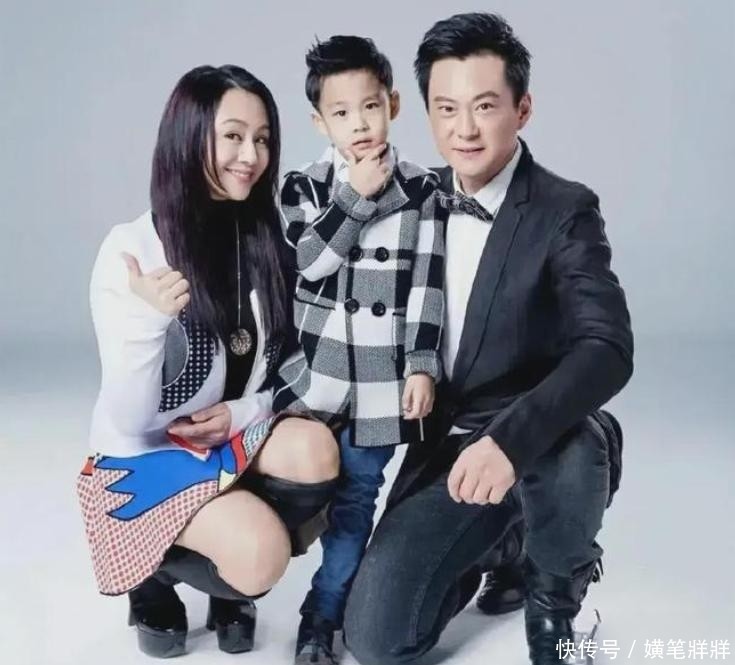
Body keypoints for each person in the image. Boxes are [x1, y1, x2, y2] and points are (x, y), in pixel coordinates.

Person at [343, 13, 633, 665]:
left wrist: (510, 440)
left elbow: (607, 346)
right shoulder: (407, 199)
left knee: (573, 440)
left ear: (521, 109)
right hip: (443, 444)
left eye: (484, 106)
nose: (464, 129)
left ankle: (554, 597)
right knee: (376, 641)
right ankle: (507, 540)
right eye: (445, 109)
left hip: (535, 434)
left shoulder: (564, 209)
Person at [76, 64, 340, 659]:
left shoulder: (267, 239)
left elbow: (295, 369)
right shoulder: (133, 250)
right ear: (189, 137)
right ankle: (152, 574)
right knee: (261, 554)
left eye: (263, 139)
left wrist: (243, 412)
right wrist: (147, 323)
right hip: (145, 458)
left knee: (316, 450)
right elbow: (128, 419)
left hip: (227, 441)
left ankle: (223, 569)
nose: (252, 156)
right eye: (233, 136)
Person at [272, 36, 444, 665]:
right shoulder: (304, 186)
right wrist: (357, 195)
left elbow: (428, 287)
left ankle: (321, 615)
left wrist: (421, 366)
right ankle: (235, 587)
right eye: (341, 113)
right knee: (284, 493)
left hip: (377, 388)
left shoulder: (423, 189)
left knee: (353, 506)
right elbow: (310, 262)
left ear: (393, 104)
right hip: (312, 386)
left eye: (370, 107)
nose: (359, 124)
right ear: (320, 122)